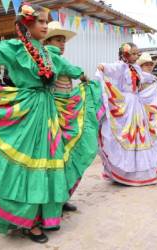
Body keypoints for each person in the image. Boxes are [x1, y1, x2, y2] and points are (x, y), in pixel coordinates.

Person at [0, 4, 102, 244]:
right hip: (26, 111)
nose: (45, 26)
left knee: (51, 161)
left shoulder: (48, 53)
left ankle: (47, 211)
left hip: (49, 112)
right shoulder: (13, 49)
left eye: (47, 22)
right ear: (26, 24)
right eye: (41, 22)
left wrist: (84, 75)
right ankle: (28, 222)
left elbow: (66, 68)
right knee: (26, 165)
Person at [43, 21, 102, 212]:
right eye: (58, 40)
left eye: (63, 41)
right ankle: (55, 200)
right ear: (47, 41)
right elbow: (76, 72)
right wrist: (86, 79)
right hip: (55, 113)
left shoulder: (50, 57)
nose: (62, 44)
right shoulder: (52, 58)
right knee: (62, 156)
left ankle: (62, 197)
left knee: (65, 157)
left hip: (63, 110)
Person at [95, 45, 157, 186]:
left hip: (136, 104)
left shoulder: (136, 68)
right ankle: (124, 173)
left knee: (140, 137)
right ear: (125, 55)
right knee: (125, 136)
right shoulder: (120, 66)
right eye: (133, 54)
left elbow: (144, 77)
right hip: (126, 104)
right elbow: (110, 68)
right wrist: (102, 66)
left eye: (137, 53)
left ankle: (140, 173)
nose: (136, 56)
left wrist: (155, 79)